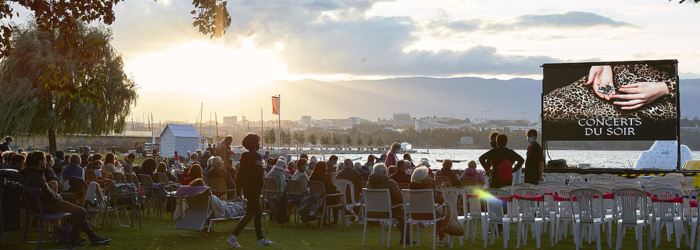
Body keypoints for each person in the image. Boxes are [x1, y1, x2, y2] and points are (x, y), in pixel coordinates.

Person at [21, 150, 110, 247]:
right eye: (44, 160)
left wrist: (58, 195)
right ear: (40, 162)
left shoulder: (33, 174)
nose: (46, 162)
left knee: (71, 197)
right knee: (82, 212)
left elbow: (47, 192)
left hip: (42, 204)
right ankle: (73, 240)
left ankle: (88, 233)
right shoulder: (37, 176)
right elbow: (51, 195)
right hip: (47, 206)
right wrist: (59, 197)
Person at [228, 133, 273, 248]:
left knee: (257, 214)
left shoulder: (244, 157)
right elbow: (259, 174)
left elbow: (239, 175)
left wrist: (238, 190)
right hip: (254, 189)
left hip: (247, 188)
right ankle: (233, 236)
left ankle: (261, 239)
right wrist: (261, 187)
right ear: (256, 144)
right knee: (250, 214)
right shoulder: (257, 157)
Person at [365, 163, 406, 243]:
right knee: (404, 213)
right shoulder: (390, 182)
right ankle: (405, 238)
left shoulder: (368, 184)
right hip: (387, 212)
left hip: (371, 211)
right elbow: (399, 198)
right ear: (384, 171)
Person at [408, 166, 448, 246]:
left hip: (414, 214)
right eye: (428, 175)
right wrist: (435, 188)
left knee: (439, 211)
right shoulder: (428, 187)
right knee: (442, 212)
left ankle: (442, 237)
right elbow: (439, 200)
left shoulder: (411, 186)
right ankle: (441, 237)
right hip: (429, 214)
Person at [309, 161, 342, 226]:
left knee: (337, 195)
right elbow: (331, 188)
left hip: (315, 198)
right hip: (325, 198)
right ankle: (335, 221)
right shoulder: (326, 176)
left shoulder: (312, 177)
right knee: (337, 197)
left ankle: (346, 210)